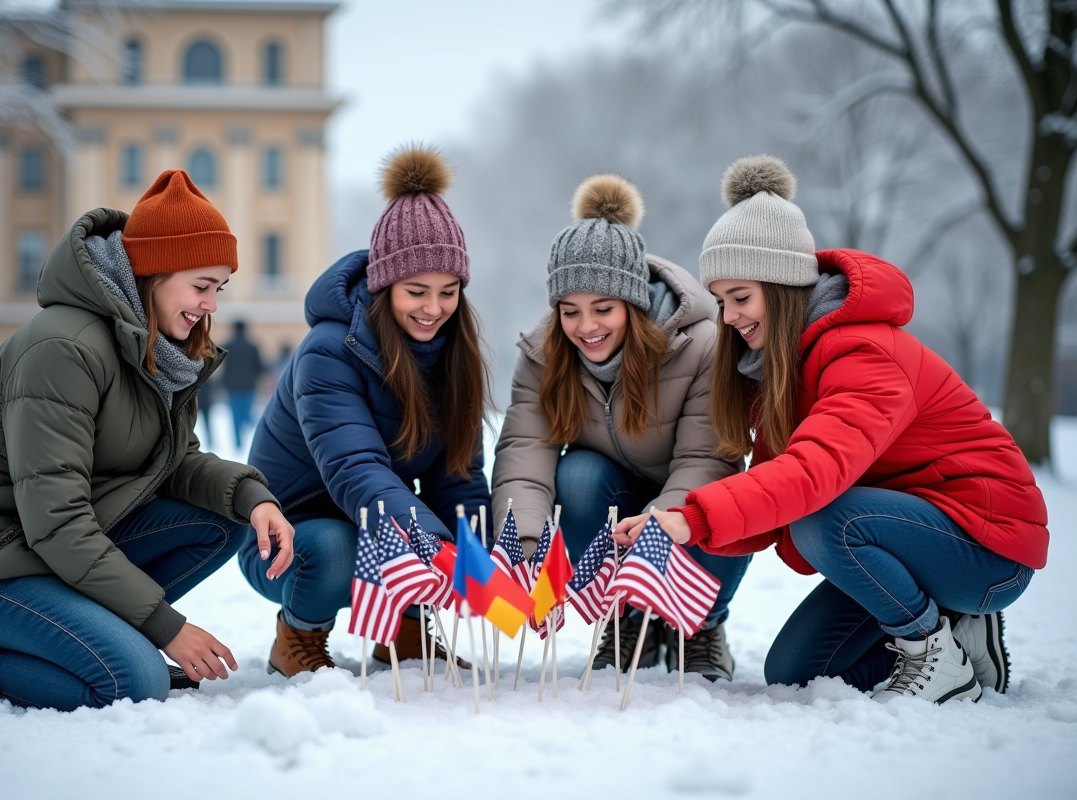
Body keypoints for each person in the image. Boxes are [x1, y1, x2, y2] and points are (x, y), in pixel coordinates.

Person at [613, 155, 1048, 703]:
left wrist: (693, 515)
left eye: (741, 298)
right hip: (897, 538)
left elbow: (813, 475)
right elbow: (775, 500)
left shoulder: (863, 350)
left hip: (986, 546)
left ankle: (933, 653)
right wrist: (681, 524)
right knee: (799, 674)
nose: (728, 318)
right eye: (721, 302)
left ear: (785, 285)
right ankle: (953, 628)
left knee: (825, 517)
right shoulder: (779, 372)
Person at [0, 170, 294, 711]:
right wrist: (164, 626)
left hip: (56, 547)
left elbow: (173, 462)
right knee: (134, 683)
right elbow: (54, 517)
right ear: (152, 274)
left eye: (220, 287)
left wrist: (251, 497)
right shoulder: (64, 349)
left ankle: (94, 637)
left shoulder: (158, 349)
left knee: (222, 519)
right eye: (201, 286)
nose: (212, 305)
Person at [241, 146, 490, 677]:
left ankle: (405, 630)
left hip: (382, 522)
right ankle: (297, 636)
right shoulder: (330, 352)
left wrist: (478, 556)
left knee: (438, 529)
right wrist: (436, 549)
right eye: (416, 291)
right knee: (337, 544)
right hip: (291, 538)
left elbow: (459, 478)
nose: (433, 308)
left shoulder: (453, 358)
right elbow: (357, 471)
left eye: (449, 293)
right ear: (384, 287)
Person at [493, 175, 747, 681]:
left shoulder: (701, 346)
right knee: (578, 476)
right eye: (570, 311)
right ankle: (627, 614)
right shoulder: (544, 357)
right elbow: (525, 451)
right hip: (611, 494)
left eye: (603, 309)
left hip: (687, 498)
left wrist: (658, 524)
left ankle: (700, 625)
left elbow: (706, 460)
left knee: (723, 497)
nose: (586, 326)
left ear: (633, 302)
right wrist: (523, 545)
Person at [220, 320, 266, 449]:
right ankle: (253, 439)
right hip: (249, 386)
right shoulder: (253, 347)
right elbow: (260, 367)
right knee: (247, 413)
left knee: (235, 415)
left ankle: (238, 443)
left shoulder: (227, 346)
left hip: (232, 386)